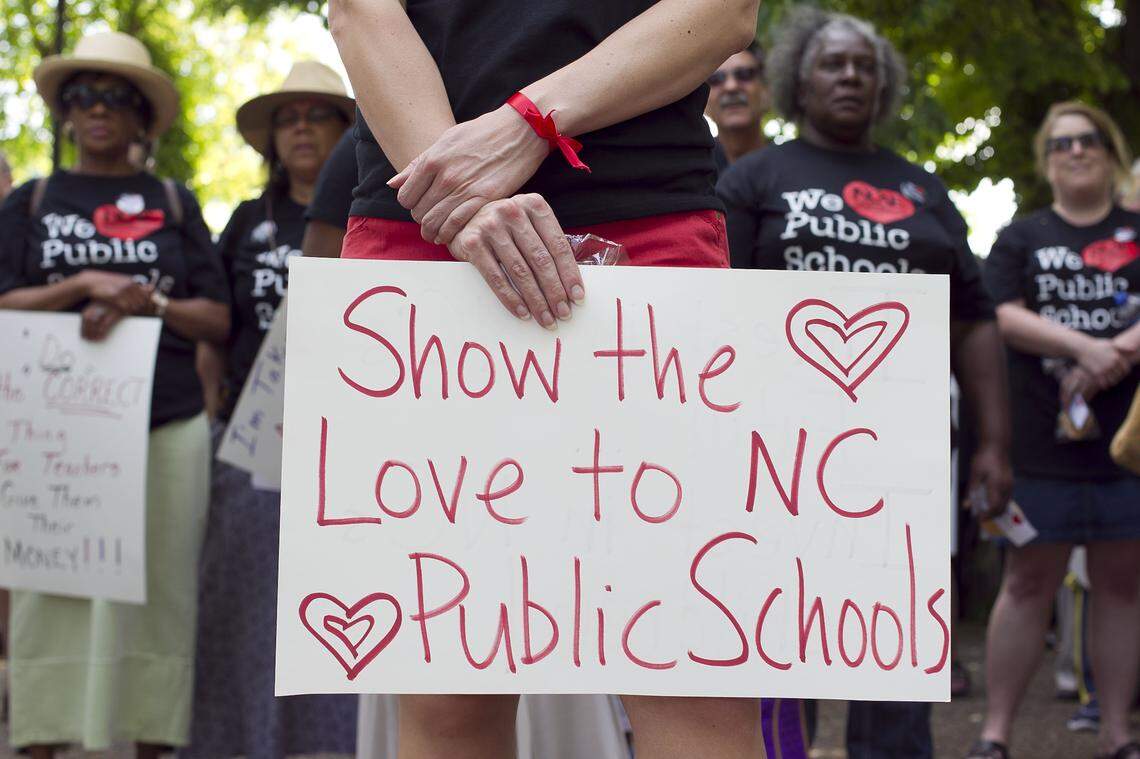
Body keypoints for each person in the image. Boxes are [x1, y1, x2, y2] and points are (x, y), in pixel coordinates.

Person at [328, 0, 764, 756]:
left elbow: (724, 11)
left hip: (643, 225)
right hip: (425, 218)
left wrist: (529, 122)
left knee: (695, 672)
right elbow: (359, 8)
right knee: (448, 682)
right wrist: (463, 199)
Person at [716, 8, 1013, 759]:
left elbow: (974, 319)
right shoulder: (755, 177)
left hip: (901, 461)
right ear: (799, 82)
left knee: (897, 650)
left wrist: (996, 443)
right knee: (780, 637)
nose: (851, 76)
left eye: (865, 66)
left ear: (883, 87)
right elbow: (716, 309)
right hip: (775, 457)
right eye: (833, 64)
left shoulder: (924, 189)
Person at [0, 30, 229, 757]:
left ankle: (153, 740)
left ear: (141, 118)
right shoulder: (32, 201)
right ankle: (40, 738)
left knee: (161, 592)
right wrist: (80, 285)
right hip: (53, 427)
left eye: (116, 98)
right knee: (48, 587)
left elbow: (218, 317)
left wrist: (147, 303)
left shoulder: (172, 200)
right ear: (66, 114)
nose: (97, 109)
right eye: (83, 96)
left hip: (165, 421)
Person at [185, 60, 359, 759]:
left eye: (316, 114)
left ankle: (340, 743)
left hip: (345, 440)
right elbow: (219, 330)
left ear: (347, 132)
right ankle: (242, 741)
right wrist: (212, 415)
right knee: (246, 601)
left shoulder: (371, 209)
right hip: (255, 436)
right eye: (288, 119)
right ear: (270, 142)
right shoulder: (244, 221)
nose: (301, 129)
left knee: (337, 599)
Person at [974, 100, 1140, 759]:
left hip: (1126, 450)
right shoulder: (1022, 237)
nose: (1076, 150)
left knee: (1123, 585)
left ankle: (1119, 733)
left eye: (1088, 140)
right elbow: (1002, 315)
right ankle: (994, 733)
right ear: (1046, 160)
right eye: (1061, 142)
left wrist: (1117, 350)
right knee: (1026, 583)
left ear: (1110, 151)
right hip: (1039, 448)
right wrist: (1086, 347)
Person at [705, 41, 770, 176]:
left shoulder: (794, 166)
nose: (731, 86)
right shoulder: (689, 169)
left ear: (767, 91)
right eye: (716, 79)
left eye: (744, 74)